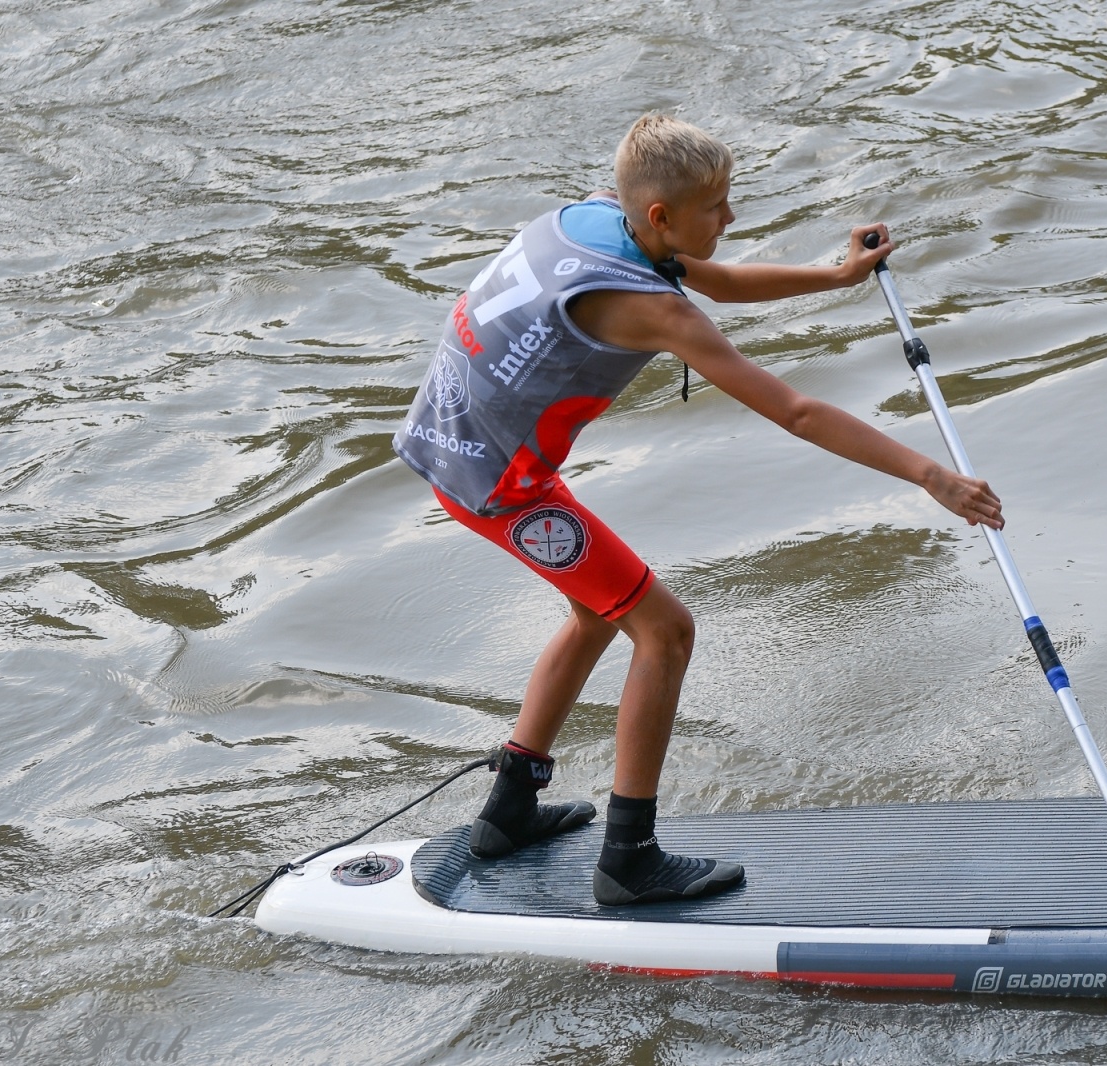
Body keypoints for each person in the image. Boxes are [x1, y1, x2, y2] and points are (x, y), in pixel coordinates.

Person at [393, 114, 1003, 907]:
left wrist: (836, 276)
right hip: (499, 483)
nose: (731, 217)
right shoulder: (655, 311)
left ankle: (509, 810)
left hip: (453, 442)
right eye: (717, 206)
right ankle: (629, 859)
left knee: (599, 612)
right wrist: (930, 475)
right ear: (660, 214)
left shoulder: (593, 216)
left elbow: (714, 277)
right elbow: (796, 412)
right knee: (666, 630)